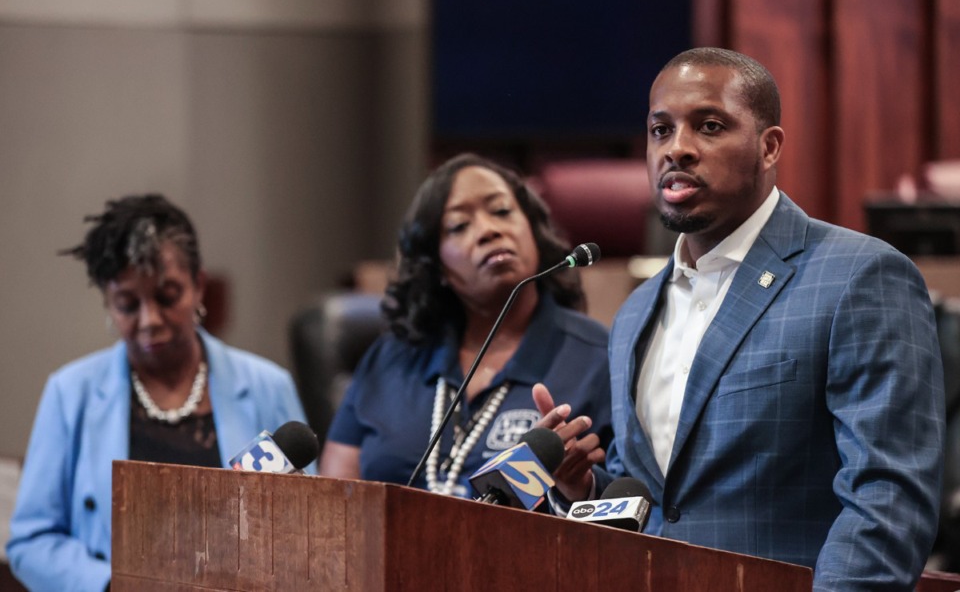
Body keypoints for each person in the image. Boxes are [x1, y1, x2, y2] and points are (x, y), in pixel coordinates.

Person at [535, 47, 944, 591]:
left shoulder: (859, 276)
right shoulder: (635, 314)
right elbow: (665, 501)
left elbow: (887, 496)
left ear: (769, 146)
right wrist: (586, 487)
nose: (677, 149)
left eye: (708, 126)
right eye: (660, 130)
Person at [6, 194, 313, 592]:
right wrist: (113, 585)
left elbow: (314, 528)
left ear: (198, 285)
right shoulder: (70, 394)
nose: (150, 320)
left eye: (167, 296)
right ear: (108, 304)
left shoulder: (266, 386)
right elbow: (31, 543)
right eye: (128, 304)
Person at [320, 153, 611, 498]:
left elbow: (632, 504)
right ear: (436, 266)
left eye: (501, 211)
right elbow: (335, 499)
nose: (488, 230)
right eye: (459, 226)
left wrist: (577, 486)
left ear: (533, 229)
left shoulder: (596, 357)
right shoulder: (390, 360)